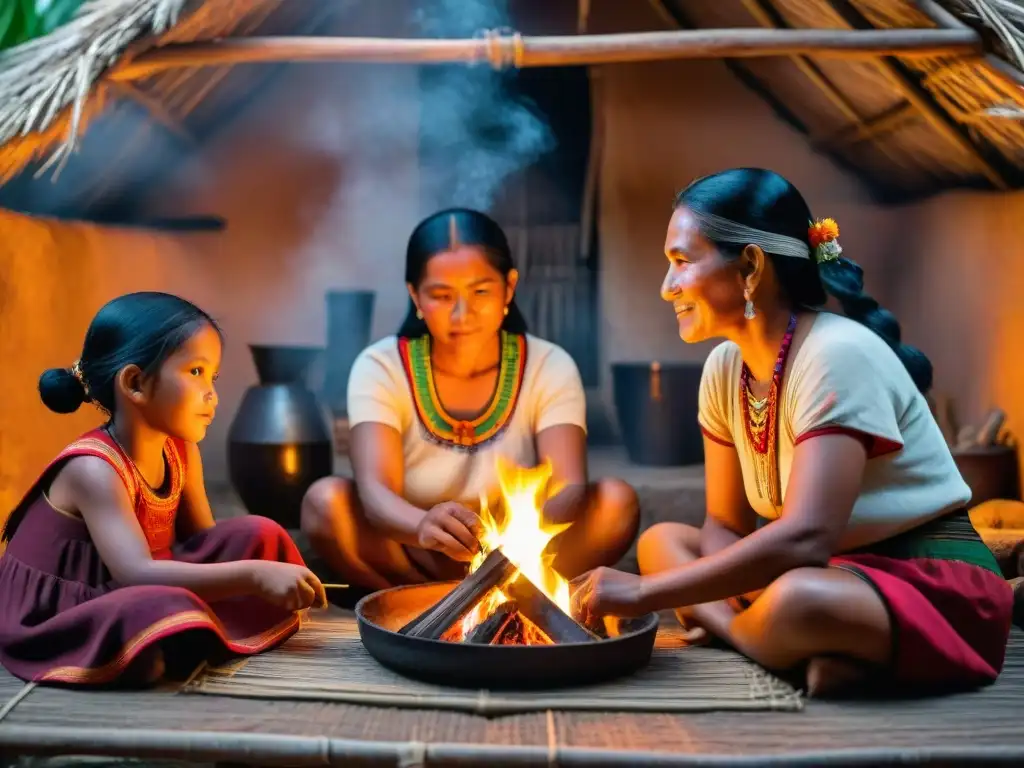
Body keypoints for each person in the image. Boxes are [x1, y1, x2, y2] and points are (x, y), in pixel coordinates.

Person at [570, 168, 1013, 697]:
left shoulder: (835, 356)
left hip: (929, 584)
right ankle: (802, 652)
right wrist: (712, 578)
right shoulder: (723, 369)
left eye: (682, 262)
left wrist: (646, 593)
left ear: (751, 267)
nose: (667, 288)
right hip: (828, 569)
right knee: (662, 542)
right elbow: (722, 523)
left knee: (799, 600)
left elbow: (807, 536)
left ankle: (747, 635)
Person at [302, 208, 639, 589]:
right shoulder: (382, 366)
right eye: (442, 295)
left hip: (523, 557)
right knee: (324, 502)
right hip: (412, 552)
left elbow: (568, 486)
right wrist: (423, 526)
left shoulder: (549, 365)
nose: (462, 313)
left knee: (616, 502)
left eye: (481, 291)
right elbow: (375, 492)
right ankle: (422, 603)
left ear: (509, 287)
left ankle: (509, 597)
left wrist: (509, 542)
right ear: (415, 295)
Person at [0, 292, 326, 686]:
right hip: (70, 607)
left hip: (141, 584)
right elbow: (135, 573)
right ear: (136, 383)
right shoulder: (94, 469)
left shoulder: (181, 449)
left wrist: (258, 562)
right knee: (160, 604)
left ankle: (180, 632)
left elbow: (205, 543)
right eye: (195, 373)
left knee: (260, 535)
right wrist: (254, 578)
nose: (211, 393)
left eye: (213, 376)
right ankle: (167, 635)